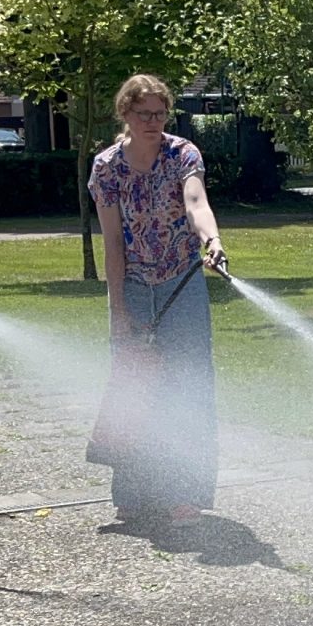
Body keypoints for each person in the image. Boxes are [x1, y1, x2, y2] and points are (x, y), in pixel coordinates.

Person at [91, 75, 227, 521]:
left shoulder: (183, 153)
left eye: (160, 112)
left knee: (187, 386)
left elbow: (195, 200)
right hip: (132, 284)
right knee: (136, 387)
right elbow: (112, 242)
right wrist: (118, 311)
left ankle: (184, 492)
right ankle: (134, 492)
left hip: (180, 281)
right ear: (125, 115)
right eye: (143, 113)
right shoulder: (107, 167)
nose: (153, 121)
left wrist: (211, 239)